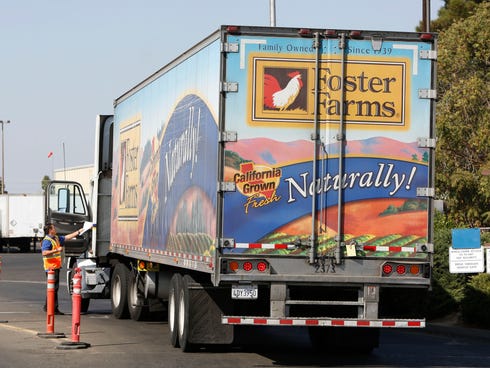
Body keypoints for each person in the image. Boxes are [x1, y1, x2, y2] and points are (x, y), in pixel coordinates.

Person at [41, 223, 84, 315]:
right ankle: (53, 308)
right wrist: (56, 250)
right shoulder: (47, 240)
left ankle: (47, 307)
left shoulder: (55, 238)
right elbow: (44, 252)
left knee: (52, 288)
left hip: (55, 267)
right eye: (53, 228)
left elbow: (66, 238)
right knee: (54, 288)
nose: (55, 229)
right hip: (50, 268)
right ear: (50, 230)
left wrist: (78, 232)